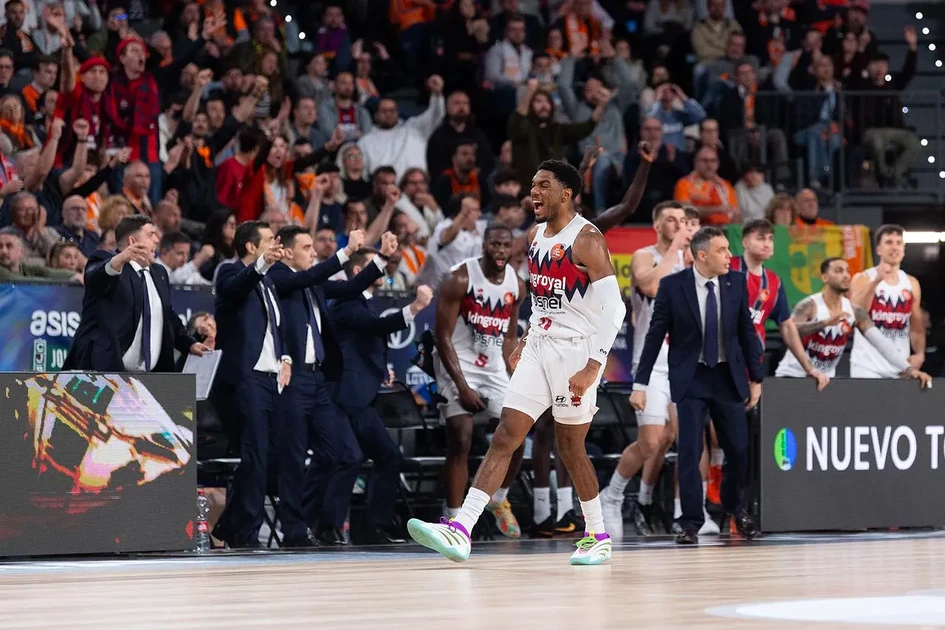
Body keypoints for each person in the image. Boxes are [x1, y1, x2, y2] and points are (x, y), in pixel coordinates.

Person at [408, 159, 627, 566]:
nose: (533, 193)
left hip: (577, 352)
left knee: (570, 447)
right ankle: (461, 529)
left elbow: (614, 310)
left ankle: (597, 534)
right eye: (533, 184)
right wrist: (525, 336)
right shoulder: (533, 235)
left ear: (566, 193)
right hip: (541, 345)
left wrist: (593, 366)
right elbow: (544, 299)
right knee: (507, 434)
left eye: (543, 185)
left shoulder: (588, 240)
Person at [210, 221, 345, 549]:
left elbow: (277, 328)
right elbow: (236, 287)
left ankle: (230, 526)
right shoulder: (229, 273)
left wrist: (285, 357)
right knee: (256, 456)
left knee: (268, 457)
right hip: (246, 379)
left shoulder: (268, 283)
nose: (276, 245)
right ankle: (246, 533)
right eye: (269, 241)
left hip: (272, 380)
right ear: (251, 248)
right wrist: (263, 264)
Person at [630, 226, 764, 546]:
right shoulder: (673, 286)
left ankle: (735, 509)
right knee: (690, 450)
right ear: (701, 255)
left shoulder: (735, 283)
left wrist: (756, 378)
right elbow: (653, 336)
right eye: (722, 251)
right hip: (691, 377)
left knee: (739, 450)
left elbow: (746, 332)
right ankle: (689, 521)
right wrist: (641, 383)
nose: (730, 256)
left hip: (727, 377)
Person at [267, 226, 399, 547]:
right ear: (286, 251)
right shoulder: (279, 277)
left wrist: (380, 258)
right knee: (295, 456)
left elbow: (353, 285)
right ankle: (294, 531)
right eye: (307, 247)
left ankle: (313, 521)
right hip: (293, 378)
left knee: (342, 453)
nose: (314, 253)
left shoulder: (312, 282)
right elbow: (307, 278)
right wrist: (346, 251)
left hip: (319, 380)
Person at [600, 200, 691, 539]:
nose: (678, 225)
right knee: (651, 441)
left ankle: (686, 513)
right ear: (657, 225)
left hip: (683, 362)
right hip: (650, 363)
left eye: (683, 220)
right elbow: (651, 286)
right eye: (671, 220)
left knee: (685, 438)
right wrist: (676, 251)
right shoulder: (644, 255)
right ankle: (612, 495)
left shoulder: (694, 259)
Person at [330, 253, 434, 543]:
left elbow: (366, 340)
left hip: (362, 395)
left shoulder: (362, 302)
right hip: (347, 396)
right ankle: (335, 525)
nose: (383, 269)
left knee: (383, 456)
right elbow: (377, 327)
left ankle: (368, 526)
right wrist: (415, 307)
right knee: (350, 458)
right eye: (372, 266)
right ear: (356, 270)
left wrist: (379, 372)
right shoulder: (345, 301)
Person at [434, 223, 527, 538]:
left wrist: (515, 375)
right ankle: (453, 517)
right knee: (461, 435)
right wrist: (461, 386)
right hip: (458, 362)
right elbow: (442, 337)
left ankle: (498, 499)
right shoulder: (459, 277)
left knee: (518, 433)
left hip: (494, 368)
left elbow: (511, 336)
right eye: (495, 245)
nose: (500, 251)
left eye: (505, 246)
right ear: (483, 246)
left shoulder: (517, 284)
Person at [63, 216, 208, 371]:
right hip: (106, 373)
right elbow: (95, 277)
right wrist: (120, 259)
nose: (157, 240)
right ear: (132, 241)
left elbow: (167, 316)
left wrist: (190, 343)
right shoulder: (106, 261)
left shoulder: (159, 273)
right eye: (150, 234)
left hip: (150, 378)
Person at [776, 257, 931, 388]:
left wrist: (909, 369)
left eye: (847, 271)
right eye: (838, 271)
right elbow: (789, 330)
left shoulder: (855, 311)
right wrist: (824, 323)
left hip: (824, 381)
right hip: (792, 377)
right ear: (824, 277)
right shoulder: (809, 305)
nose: (845, 275)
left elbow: (881, 343)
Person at [850, 225, 924, 379]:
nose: (895, 247)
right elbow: (856, 315)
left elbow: (916, 325)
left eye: (899, 242)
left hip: (900, 366)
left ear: (904, 248)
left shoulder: (911, 283)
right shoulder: (863, 278)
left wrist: (919, 353)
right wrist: (876, 281)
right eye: (889, 242)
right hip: (867, 365)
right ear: (878, 249)